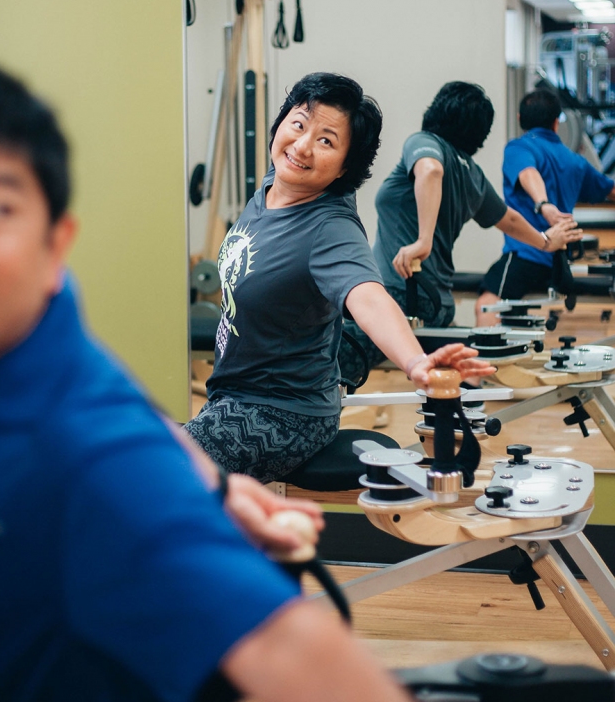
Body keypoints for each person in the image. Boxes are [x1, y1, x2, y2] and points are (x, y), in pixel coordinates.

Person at [0, 65, 615, 702]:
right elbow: (113, 396)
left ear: (55, 245)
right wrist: (213, 483)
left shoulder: (90, 452)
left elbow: (291, 646)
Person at [184, 72, 492, 484]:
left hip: (282, 414)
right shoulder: (273, 185)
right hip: (233, 395)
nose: (303, 145)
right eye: (298, 124)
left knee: (156, 474)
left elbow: (367, 295)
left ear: (345, 167)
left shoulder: (330, 226)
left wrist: (415, 361)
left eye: (326, 140)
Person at [340, 81, 581, 375]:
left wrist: (422, 241)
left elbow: (431, 171)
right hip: (437, 304)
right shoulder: (472, 174)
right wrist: (545, 241)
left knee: (329, 363)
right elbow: (510, 219)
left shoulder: (424, 142)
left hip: (400, 297)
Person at [476, 86, 615, 324]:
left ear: (520, 119)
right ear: (556, 123)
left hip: (528, 255)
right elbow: (610, 190)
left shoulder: (519, 147)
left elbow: (528, 173)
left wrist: (543, 204)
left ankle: (489, 361)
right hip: (558, 265)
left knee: (486, 305)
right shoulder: (574, 160)